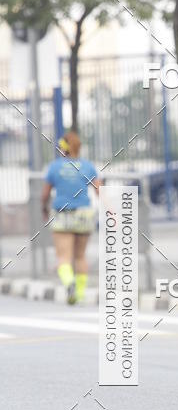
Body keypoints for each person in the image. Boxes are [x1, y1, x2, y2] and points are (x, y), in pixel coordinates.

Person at [41, 130, 101, 304]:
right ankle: (80, 293)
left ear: (62, 148)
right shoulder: (88, 166)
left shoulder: (54, 167)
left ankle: (69, 284)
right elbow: (99, 191)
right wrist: (111, 211)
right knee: (80, 256)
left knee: (63, 257)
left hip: (62, 214)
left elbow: (45, 194)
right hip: (84, 214)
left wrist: (43, 208)